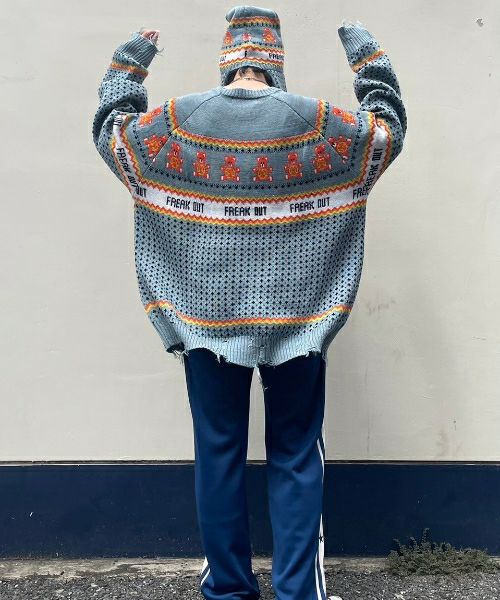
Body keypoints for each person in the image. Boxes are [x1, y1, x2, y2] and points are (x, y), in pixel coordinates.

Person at [92, 6, 407, 600]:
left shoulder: (176, 126)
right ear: (275, 60)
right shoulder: (320, 126)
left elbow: (112, 134)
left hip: (205, 325)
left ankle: (229, 590)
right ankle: (298, 592)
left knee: (217, 453)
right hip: (299, 324)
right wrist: (366, 58)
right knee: (296, 454)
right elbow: (387, 130)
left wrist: (130, 65)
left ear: (227, 57)